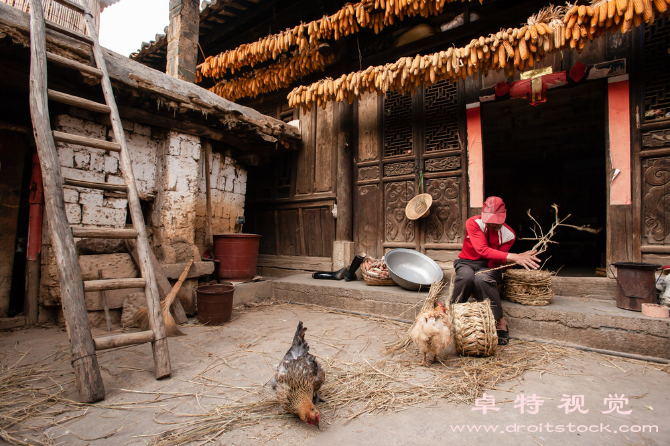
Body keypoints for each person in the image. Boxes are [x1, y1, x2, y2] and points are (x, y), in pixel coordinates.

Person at [451, 196, 539, 345]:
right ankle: (452, 314)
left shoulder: (509, 234)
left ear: (504, 217)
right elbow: (482, 250)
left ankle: (500, 321)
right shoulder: (473, 223)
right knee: (465, 277)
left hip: (489, 266)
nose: (492, 224)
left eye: (496, 221)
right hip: (467, 262)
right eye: (489, 220)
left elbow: (495, 261)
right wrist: (514, 257)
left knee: (482, 279)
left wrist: (510, 261)